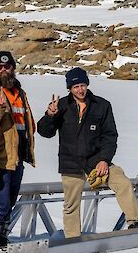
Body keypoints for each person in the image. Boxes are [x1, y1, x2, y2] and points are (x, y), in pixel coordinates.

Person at [37, 67, 138, 237]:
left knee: (123, 183)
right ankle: (73, 243)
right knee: (71, 206)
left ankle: (134, 222)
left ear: (87, 84)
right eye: (76, 87)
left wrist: (104, 159)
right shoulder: (61, 105)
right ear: (69, 88)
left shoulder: (102, 105)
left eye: (83, 85)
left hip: (96, 160)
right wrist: (50, 115)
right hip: (71, 163)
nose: (80, 90)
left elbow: (110, 136)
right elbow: (45, 132)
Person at [0, 51, 36, 250]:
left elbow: (26, 121)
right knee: (1, 199)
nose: (4, 70)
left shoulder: (19, 91)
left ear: (13, 67)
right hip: (1, 153)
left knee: (11, 198)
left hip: (18, 153)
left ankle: (2, 237)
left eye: (7, 66)